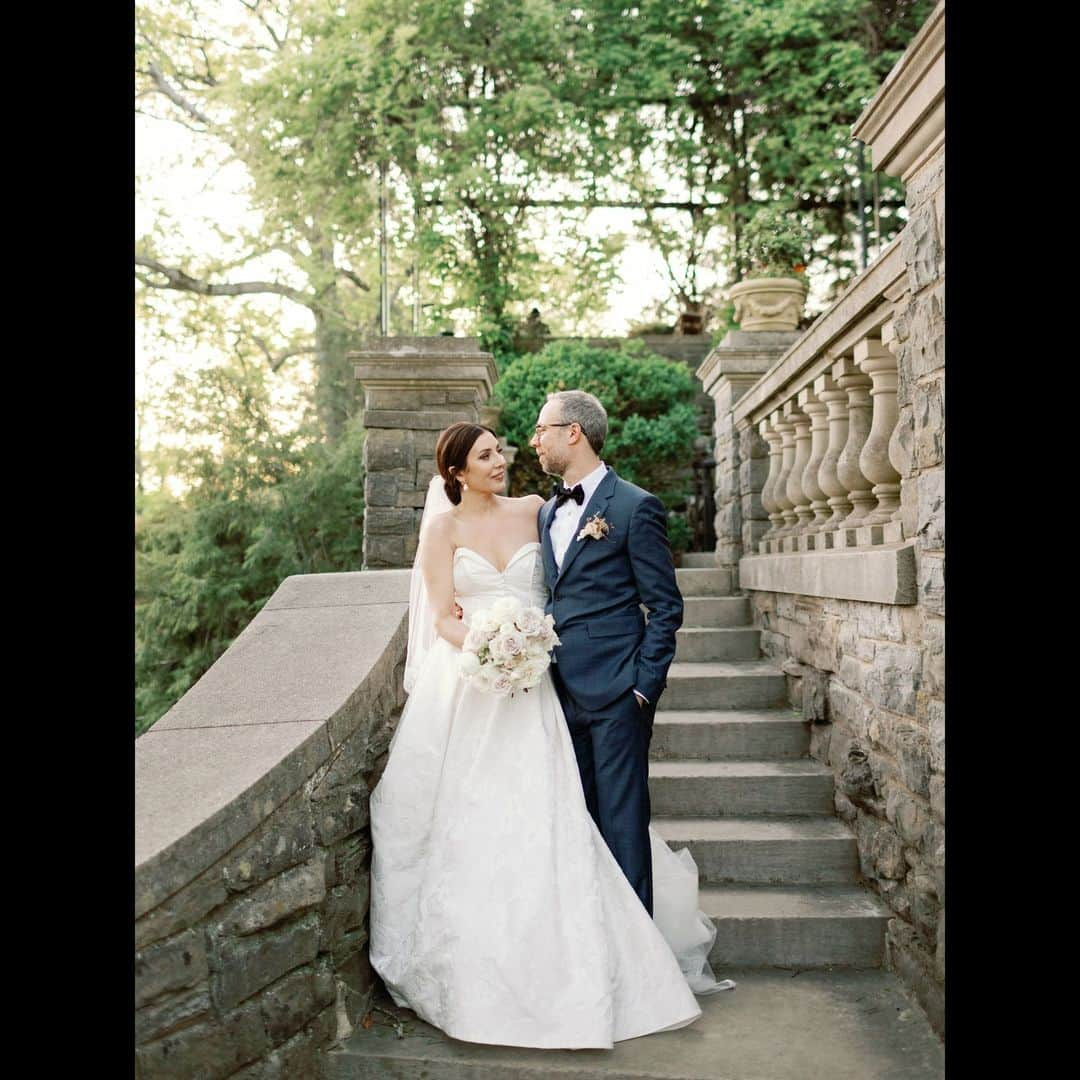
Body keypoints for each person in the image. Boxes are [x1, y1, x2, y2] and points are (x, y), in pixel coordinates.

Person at [369, 420, 732, 1053]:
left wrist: (535, 648)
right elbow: (441, 620)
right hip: (480, 687)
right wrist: (490, 647)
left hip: (543, 686)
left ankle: (596, 953)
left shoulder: (538, 509)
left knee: (557, 816)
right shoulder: (442, 530)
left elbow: (570, 587)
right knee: (479, 819)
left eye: (502, 449)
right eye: (486, 455)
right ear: (455, 471)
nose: (502, 459)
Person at [530, 389, 675, 917]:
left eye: (542, 429)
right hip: (555, 693)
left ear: (574, 432)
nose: (535, 441)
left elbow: (665, 607)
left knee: (622, 824)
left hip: (617, 693)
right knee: (577, 824)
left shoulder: (635, 507)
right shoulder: (547, 513)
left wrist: (643, 687)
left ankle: (641, 966)